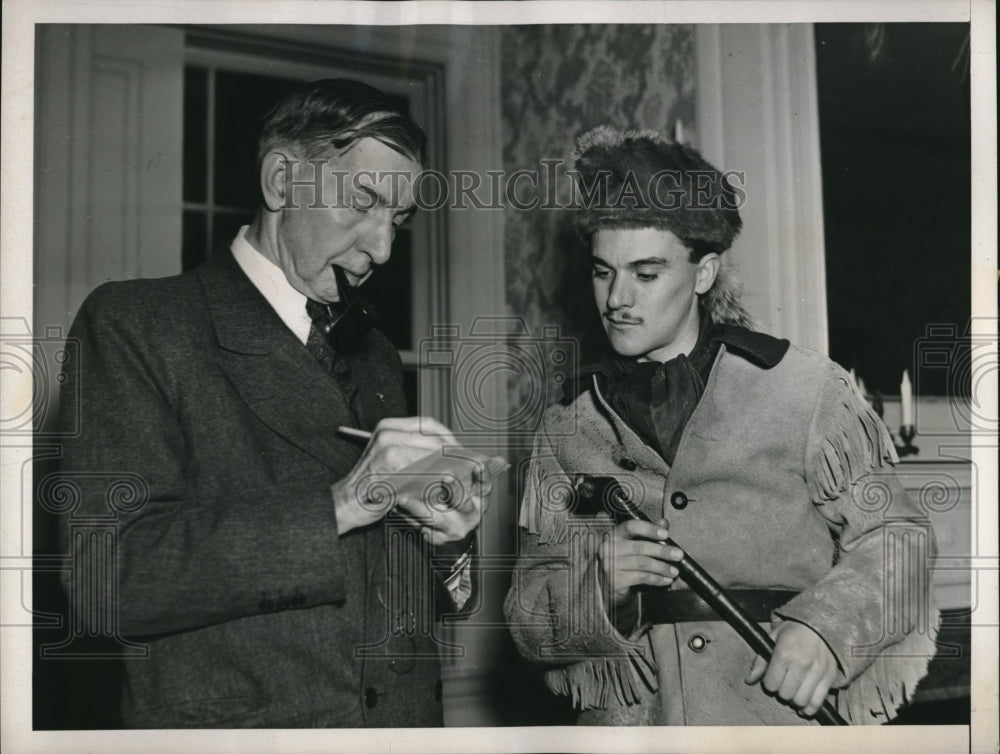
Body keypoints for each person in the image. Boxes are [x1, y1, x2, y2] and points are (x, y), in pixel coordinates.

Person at [58, 79, 493, 728]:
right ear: (281, 181)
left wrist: (449, 544)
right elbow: (105, 583)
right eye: (364, 203)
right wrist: (344, 503)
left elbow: (382, 595)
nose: (382, 249)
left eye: (399, 221)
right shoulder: (136, 325)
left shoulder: (371, 355)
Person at [503, 125, 938, 725]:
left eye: (647, 273)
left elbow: (901, 542)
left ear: (704, 273)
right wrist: (597, 580)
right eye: (604, 272)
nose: (617, 299)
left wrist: (826, 631)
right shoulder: (567, 426)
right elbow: (526, 619)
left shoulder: (805, 390)